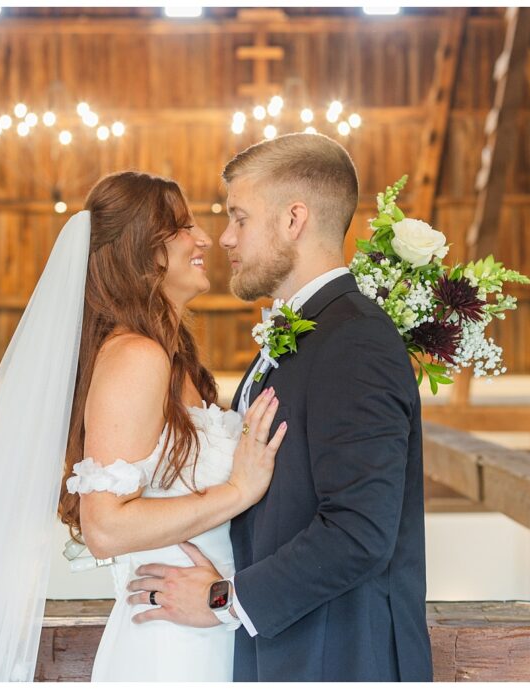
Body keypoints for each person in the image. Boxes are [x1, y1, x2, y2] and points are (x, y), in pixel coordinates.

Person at [0, 171, 284, 681]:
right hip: (171, 644)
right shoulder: (136, 357)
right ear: (141, 250)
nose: (203, 239)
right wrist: (239, 489)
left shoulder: (173, 360)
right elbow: (105, 527)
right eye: (181, 227)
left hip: (210, 626)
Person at [127, 133, 433, 681]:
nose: (224, 239)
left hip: (337, 661)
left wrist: (225, 599)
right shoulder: (310, 333)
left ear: (294, 219)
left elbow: (360, 531)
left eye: (240, 218)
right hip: (288, 654)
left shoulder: (355, 341)